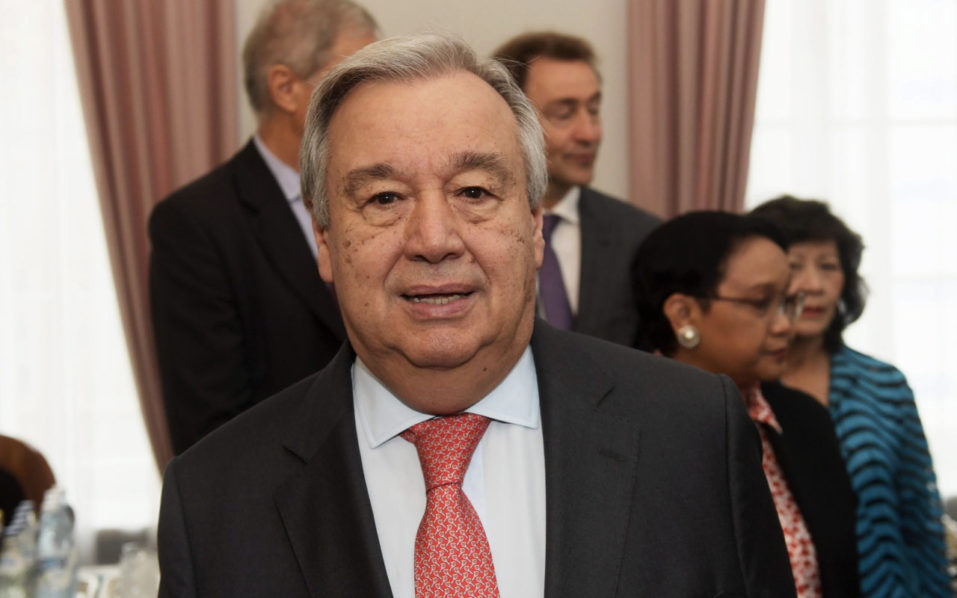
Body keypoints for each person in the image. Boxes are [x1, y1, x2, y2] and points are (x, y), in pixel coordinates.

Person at [157, 34, 797, 597]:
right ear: (325, 239)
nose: (434, 239)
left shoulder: (693, 435)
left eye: (474, 191)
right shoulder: (215, 498)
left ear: (535, 224)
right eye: (384, 198)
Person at [148, 0, 377, 454]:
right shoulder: (196, 223)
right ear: (285, 88)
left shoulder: (387, 197)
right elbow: (210, 432)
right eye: (354, 81)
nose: (376, 100)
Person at [634, 211, 861, 598]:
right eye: (761, 303)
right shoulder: (624, 427)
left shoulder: (804, 419)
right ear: (683, 314)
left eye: (787, 302)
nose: (785, 325)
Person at [751, 196, 952, 597]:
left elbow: (921, 522)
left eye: (828, 266)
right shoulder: (744, 388)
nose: (814, 285)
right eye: (794, 266)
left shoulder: (883, 383)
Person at [492, 32, 660, 347]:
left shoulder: (641, 236)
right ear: (512, 119)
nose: (589, 133)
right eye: (564, 114)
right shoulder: (472, 232)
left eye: (593, 110)